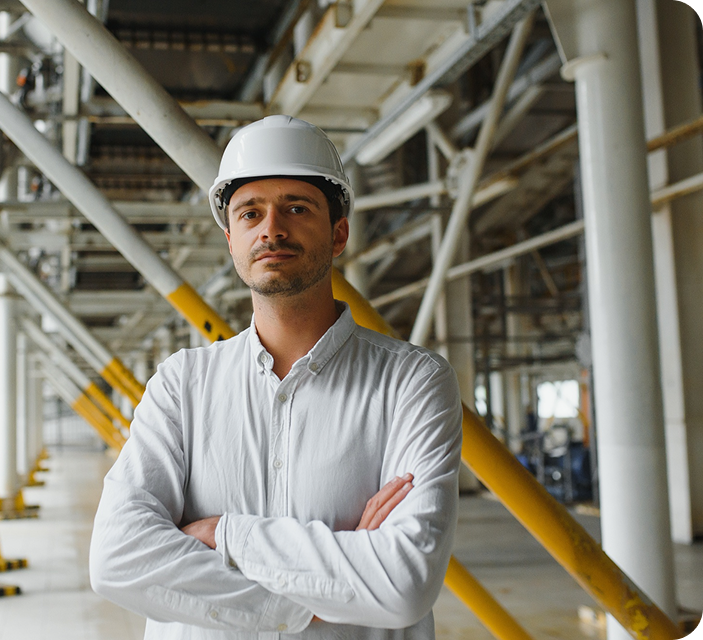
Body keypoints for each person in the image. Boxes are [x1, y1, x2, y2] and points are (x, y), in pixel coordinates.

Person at [89, 115, 463, 639]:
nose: (271, 229)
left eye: (297, 208)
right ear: (231, 239)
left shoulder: (412, 382)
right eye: (250, 213)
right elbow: (117, 557)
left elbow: (404, 582)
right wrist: (324, 593)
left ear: (338, 233)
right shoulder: (181, 385)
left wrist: (225, 535)